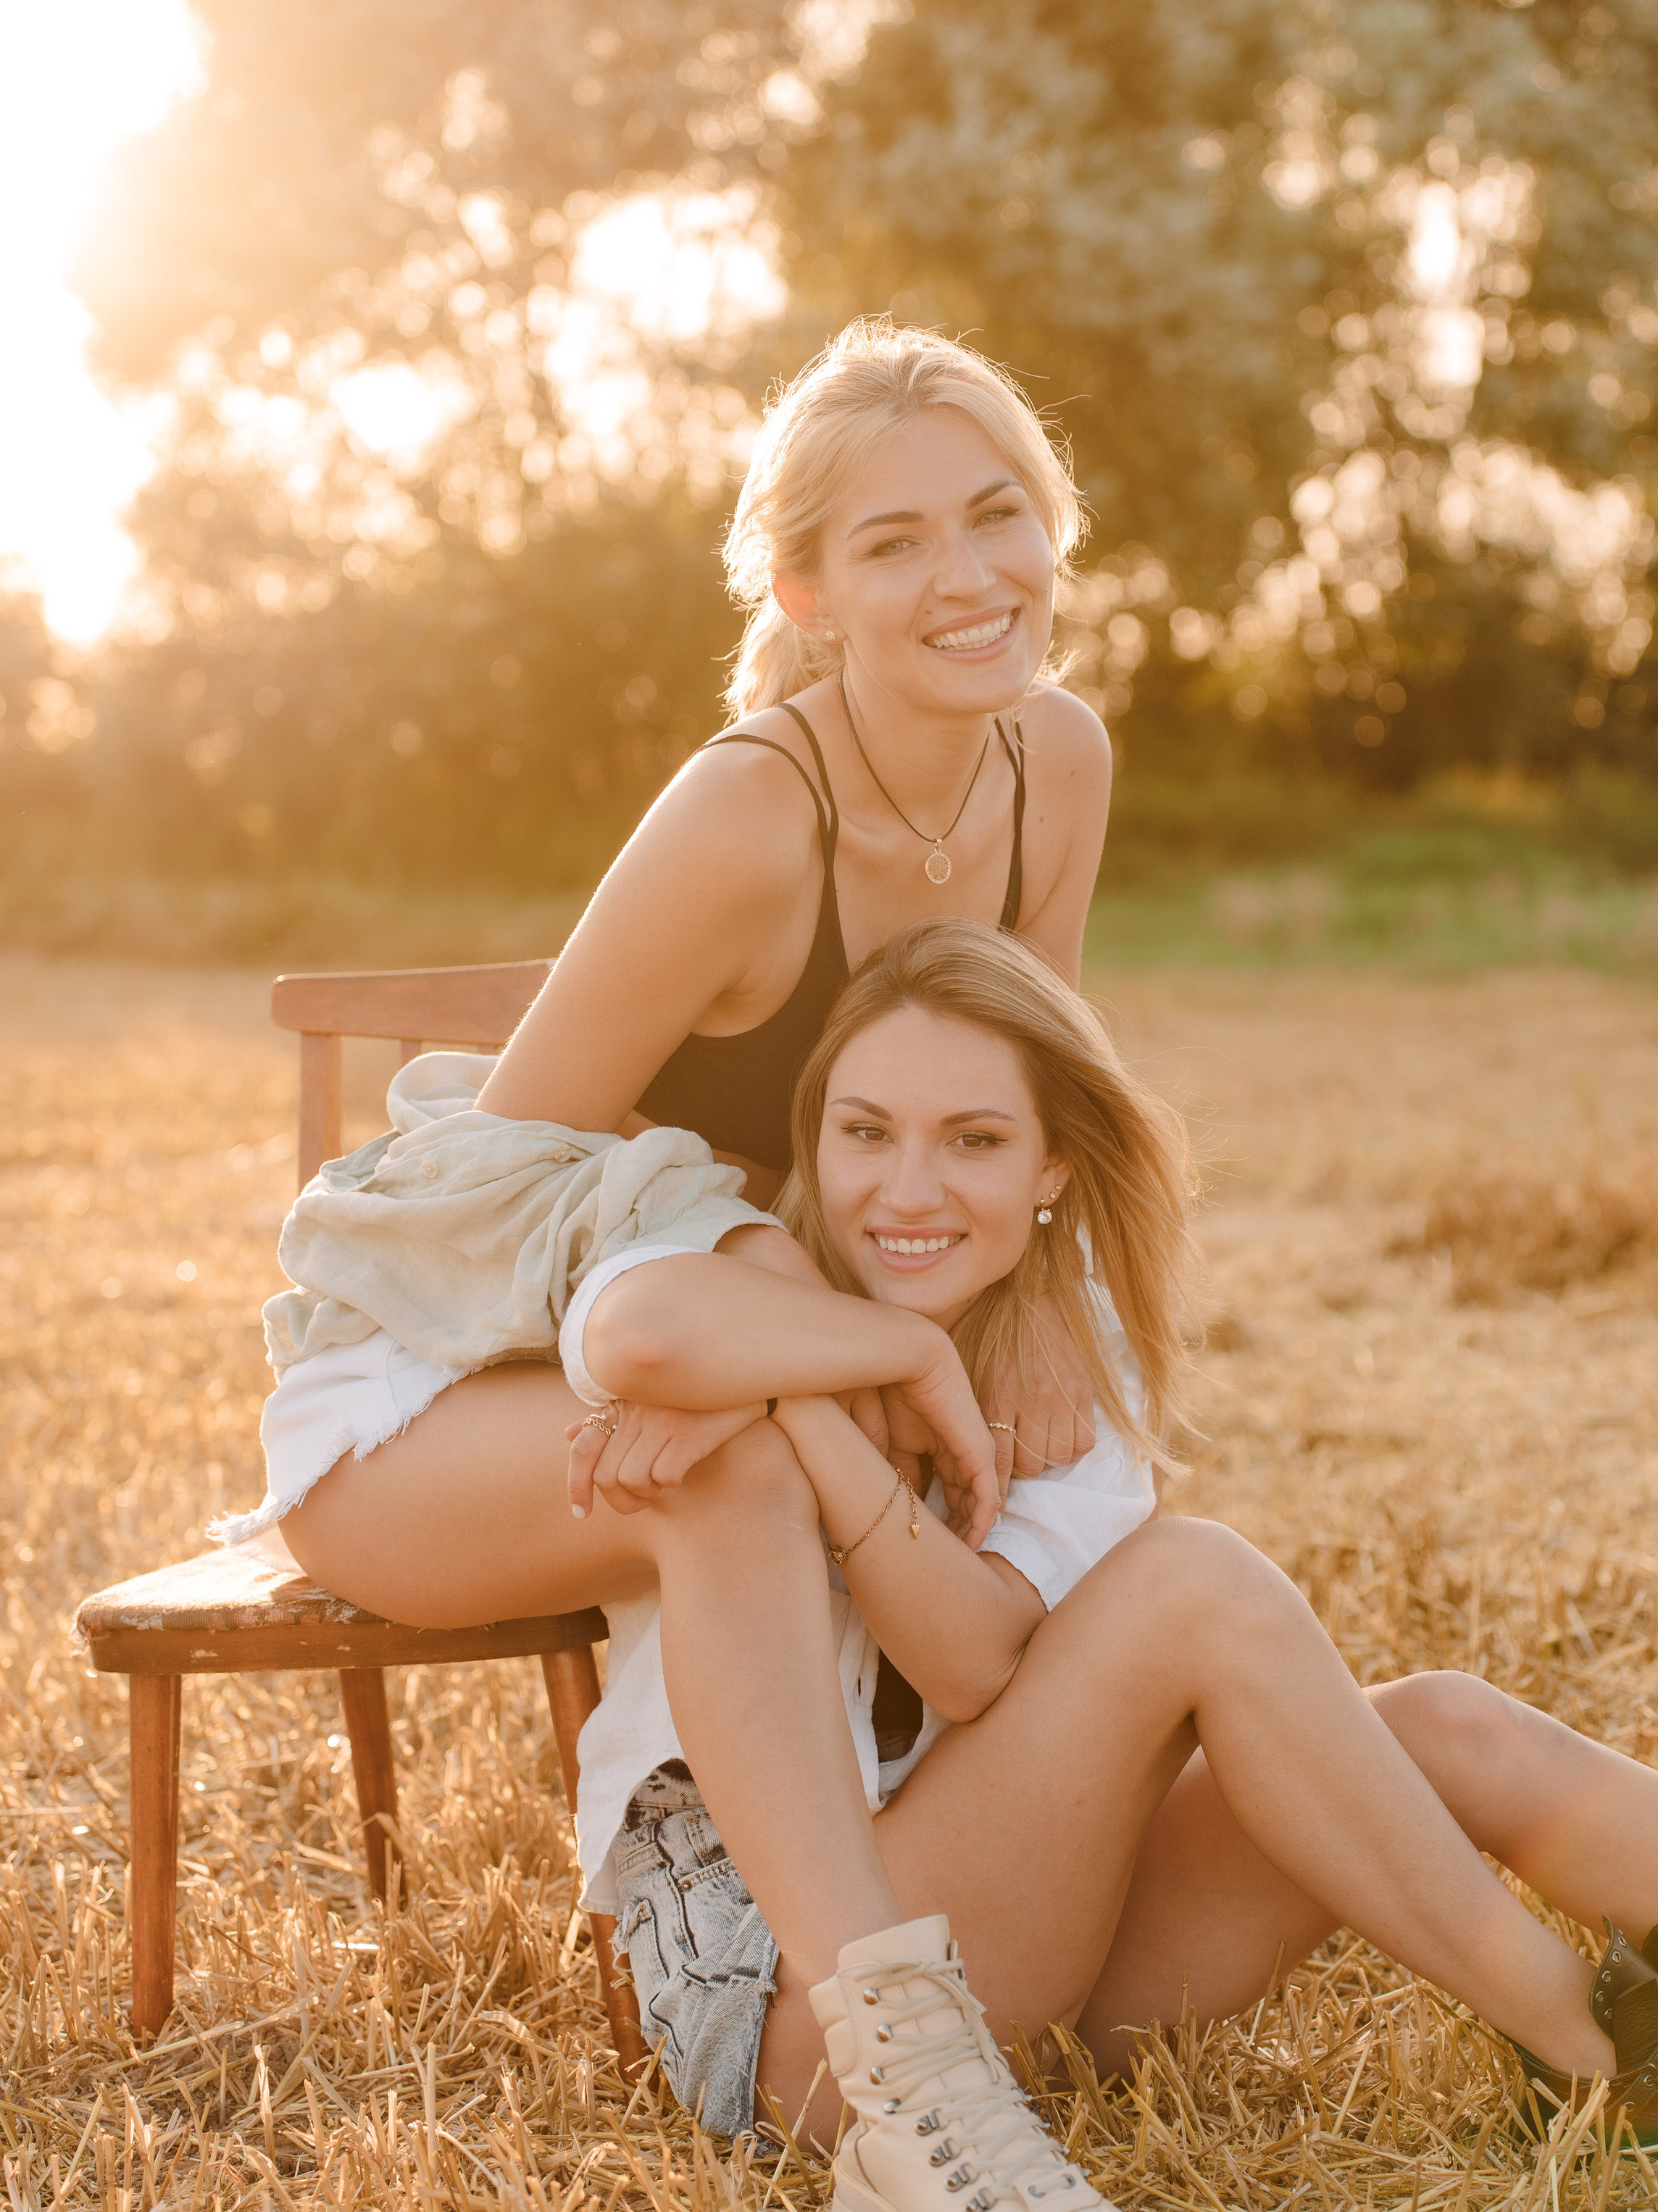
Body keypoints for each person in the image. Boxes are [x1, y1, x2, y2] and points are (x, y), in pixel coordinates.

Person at [557, 918, 1658, 2212]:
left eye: (973, 1142)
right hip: (802, 2010)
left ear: (1052, 1170)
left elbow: (980, 1662)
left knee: (1441, 1724)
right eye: (863, 1132)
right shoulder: (737, 1290)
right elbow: (644, 1339)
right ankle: (1602, 2053)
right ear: (813, 1139)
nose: (904, 1191)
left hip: (1023, 1941)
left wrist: (838, 1425)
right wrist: (832, 1380)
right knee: (1194, 1589)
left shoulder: (1066, 1345)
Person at [245, 320, 1115, 1609]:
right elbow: (494, 1182)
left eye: (998, 517)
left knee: (1093, 1447)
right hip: (484, 1364)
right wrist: (766, 1332)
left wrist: (1035, 1316)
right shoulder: (750, 818)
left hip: (796, 1328)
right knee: (780, 1475)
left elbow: (1038, 1104)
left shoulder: (1060, 760)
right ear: (805, 595)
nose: (971, 576)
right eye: (895, 544)